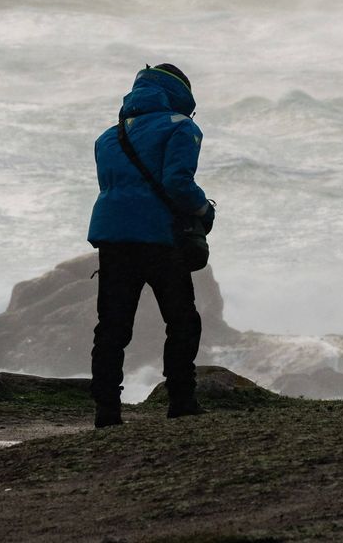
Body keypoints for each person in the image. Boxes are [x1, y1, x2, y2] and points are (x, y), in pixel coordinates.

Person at [87, 63, 215, 428]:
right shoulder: (181, 126)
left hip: (112, 238)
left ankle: (107, 410)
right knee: (181, 320)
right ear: (181, 94)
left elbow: (111, 187)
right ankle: (181, 400)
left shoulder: (108, 137)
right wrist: (204, 210)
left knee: (112, 327)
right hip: (160, 239)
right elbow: (177, 182)